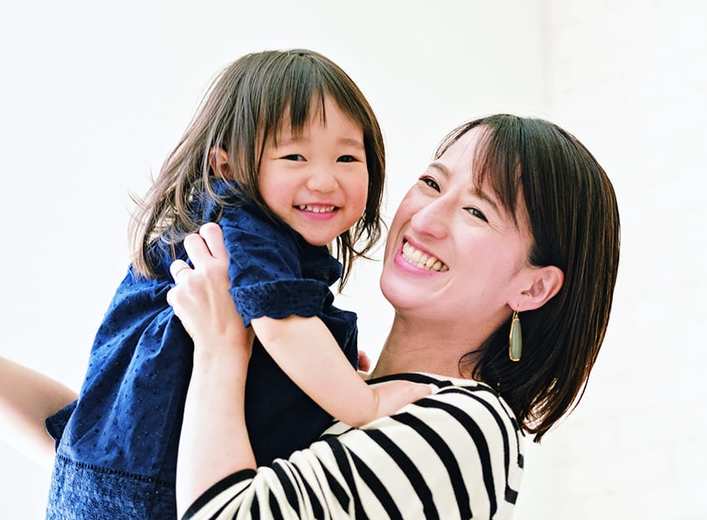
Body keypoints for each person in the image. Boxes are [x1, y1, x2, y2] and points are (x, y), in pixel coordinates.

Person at [36, 49, 432, 519]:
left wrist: (331, 367)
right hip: (148, 491)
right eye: (294, 156)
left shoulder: (247, 236)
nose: (325, 180)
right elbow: (280, 322)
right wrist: (365, 402)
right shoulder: (243, 226)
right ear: (227, 167)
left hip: (104, 472)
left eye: (347, 157)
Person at [163, 114, 621, 518]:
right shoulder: (344, 389)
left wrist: (221, 349)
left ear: (532, 287)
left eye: (476, 212)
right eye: (432, 184)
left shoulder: (466, 424)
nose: (424, 220)